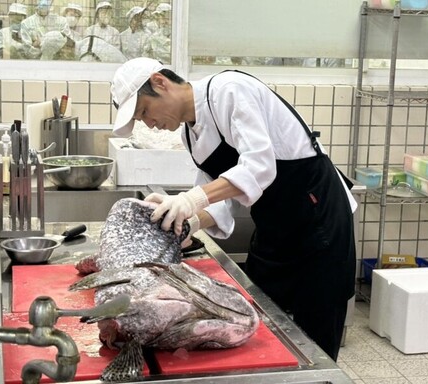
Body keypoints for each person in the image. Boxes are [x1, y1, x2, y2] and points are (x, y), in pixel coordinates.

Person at [109, 58, 358, 361]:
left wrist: (190, 199)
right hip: (274, 227)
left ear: (160, 82)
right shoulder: (191, 134)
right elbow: (220, 200)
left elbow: (259, 166)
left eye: (144, 111)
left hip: (319, 222)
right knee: (263, 327)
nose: (149, 124)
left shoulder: (229, 91)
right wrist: (186, 223)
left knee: (317, 338)